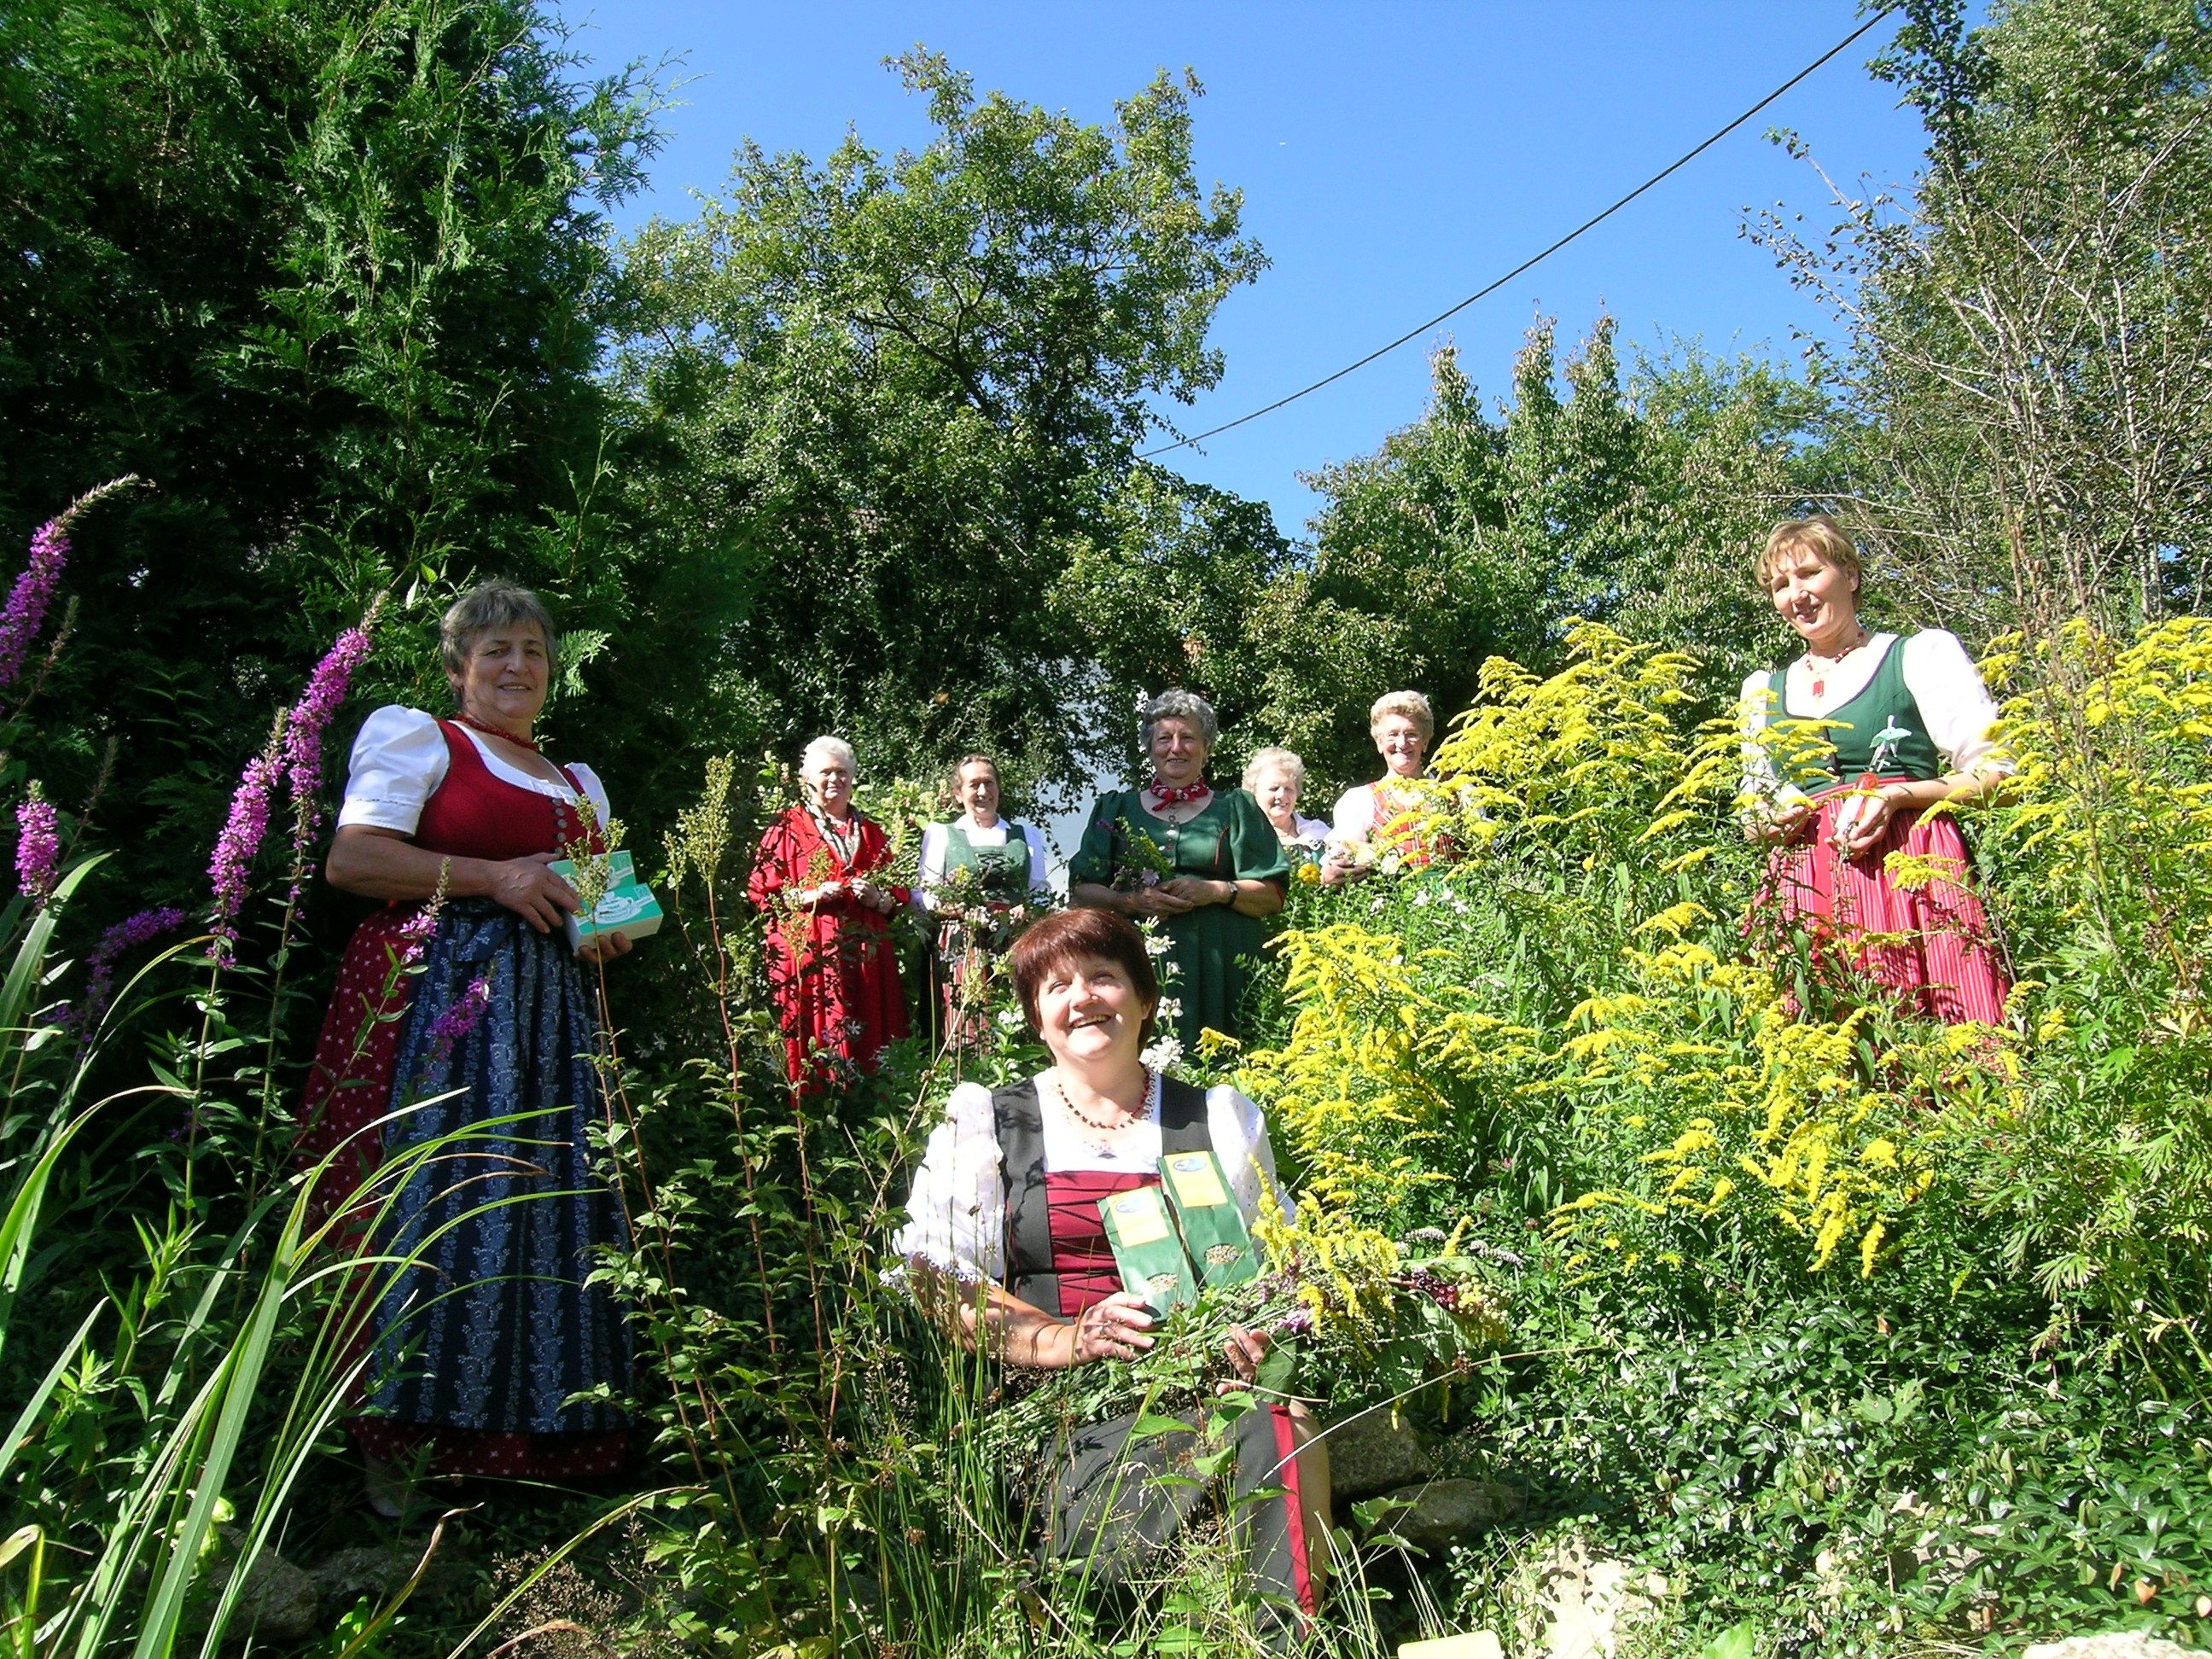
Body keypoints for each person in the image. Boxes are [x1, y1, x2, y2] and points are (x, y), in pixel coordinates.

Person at [894, 907, 1326, 1644]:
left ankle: (1283, 1640)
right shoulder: (990, 1124)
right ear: (1037, 1017)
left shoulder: (1216, 1118)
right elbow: (939, 1278)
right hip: (1055, 1410)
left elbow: (1280, 1263)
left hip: (1206, 1392)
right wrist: (1066, 1340)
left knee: (1279, 1426)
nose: (1083, 998)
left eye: (1103, 977)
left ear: (1145, 999)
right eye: (1057, 986)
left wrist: (1260, 1337)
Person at [300, 581, 633, 1507]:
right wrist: (494, 875)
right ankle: (396, 1450)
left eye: (532, 649)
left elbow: (605, 910)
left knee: (541, 1210)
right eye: (496, 652)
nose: (517, 666)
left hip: (551, 1026)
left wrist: (606, 929)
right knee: (432, 1197)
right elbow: (354, 859)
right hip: (436, 1008)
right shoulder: (422, 740)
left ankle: (526, 1451)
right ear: (459, 669)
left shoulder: (579, 784)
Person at [1739, 515, 2012, 1027]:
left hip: (1913, 865)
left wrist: (1898, 797)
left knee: (1942, 1026)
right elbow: (1753, 806)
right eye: (1780, 585)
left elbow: (1997, 775)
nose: (1796, 594)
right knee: (1821, 1042)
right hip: (1805, 882)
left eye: (1808, 574)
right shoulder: (1763, 691)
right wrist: (1765, 822)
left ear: (1851, 574)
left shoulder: (1919, 655)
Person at [1068, 690, 1286, 1049]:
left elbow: (1272, 896)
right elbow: (1081, 892)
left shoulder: (1236, 809)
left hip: (1224, 964)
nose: (1176, 748)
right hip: (1137, 958)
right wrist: (1134, 901)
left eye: (1188, 738)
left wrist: (1216, 891)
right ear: (1150, 748)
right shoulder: (1116, 809)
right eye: (1165, 738)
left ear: (1206, 747)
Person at [748, 736, 911, 1085]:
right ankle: (817, 1119)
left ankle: (871, 1114)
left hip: (866, 957)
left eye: (842, 773)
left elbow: (898, 898)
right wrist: (812, 895)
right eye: (826, 773)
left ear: (852, 779)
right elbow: (762, 895)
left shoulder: (871, 833)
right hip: (812, 951)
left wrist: (877, 899)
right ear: (807, 779)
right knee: (816, 1038)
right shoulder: (786, 830)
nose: (835, 780)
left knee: (871, 1040)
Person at [917, 754, 1050, 1047]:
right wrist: (958, 910)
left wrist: (1027, 910)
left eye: (989, 783)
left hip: (1014, 940)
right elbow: (924, 893)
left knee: (1015, 1020)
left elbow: (1040, 890)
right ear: (958, 793)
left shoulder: (1025, 836)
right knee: (966, 1022)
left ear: (998, 789)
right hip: (963, 944)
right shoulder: (941, 834)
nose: (982, 792)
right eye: (973, 784)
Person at [1320, 690, 1438, 885]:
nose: (1401, 743)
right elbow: (1341, 859)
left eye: (1412, 735)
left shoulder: (1458, 794)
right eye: (1392, 735)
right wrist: (1333, 871)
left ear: (1425, 742)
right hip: (1396, 910)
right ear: (1379, 743)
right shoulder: (1361, 801)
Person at [1243, 747, 1330, 865]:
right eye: (1274, 789)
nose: (1282, 795)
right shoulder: (1242, 836)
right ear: (1253, 792)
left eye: (1289, 789)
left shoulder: (1319, 833)